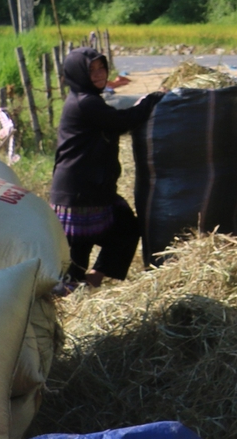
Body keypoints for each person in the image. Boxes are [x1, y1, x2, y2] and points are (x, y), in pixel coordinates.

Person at [49, 48, 161, 288]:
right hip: (77, 192)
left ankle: (93, 280)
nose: (99, 74)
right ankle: (66, 301)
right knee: (75, 257)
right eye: (91, 70)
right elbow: (122, 122)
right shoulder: (85, 102)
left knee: (127, 228)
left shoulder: (88, 99)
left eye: (102, 68)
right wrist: (151, 100)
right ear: (78, 74)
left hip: (95, 188)